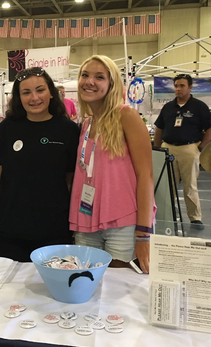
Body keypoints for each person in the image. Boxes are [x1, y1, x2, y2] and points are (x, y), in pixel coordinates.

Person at [0, 67, 79, 262]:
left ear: (51, 93)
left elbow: (70, 180)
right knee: (10, 287)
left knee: (49, 287)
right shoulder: (8, 127)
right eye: (26, 92)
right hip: (9, 228)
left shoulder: (68, 130)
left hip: (53, 229)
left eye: (40, 90)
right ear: (19, 97)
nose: (34, 98)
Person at [69, 55, 155, 273]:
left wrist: (144, 235)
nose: (89, 81)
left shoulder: (126, 116)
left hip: (122, 223)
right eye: (85, 75)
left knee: (119, 289)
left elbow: (145, 176)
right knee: (86, 282)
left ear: (112, 84)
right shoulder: (87, 123)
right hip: (86, 221)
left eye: (99, 77)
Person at [154, 74, 211, 226]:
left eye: (182, 86)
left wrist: (201, 147)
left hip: (189, 148)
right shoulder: (168, 107)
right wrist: (157, 150)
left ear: (190, 87)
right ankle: (165, 216)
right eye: (176, 86)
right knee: (167, 186)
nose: (178, 89)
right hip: (168, 148)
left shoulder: (199, 107)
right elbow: (159, 129)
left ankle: (195, 218)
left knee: (190, 186)